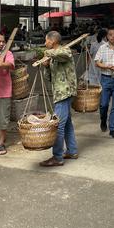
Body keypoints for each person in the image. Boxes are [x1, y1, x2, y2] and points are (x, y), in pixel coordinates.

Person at [37, 31, 78, 167]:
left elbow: (64, 54)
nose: (45, 43)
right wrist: (47, 66)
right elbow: (50, 78)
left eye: (46, 41)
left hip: (64, 93)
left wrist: (46, 53)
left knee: (58, 126)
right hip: (59, 93)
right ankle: (72, 151)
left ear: (53, 41)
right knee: (66, 124)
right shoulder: (54, 57)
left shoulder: (64, 51)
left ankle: (57, 156)